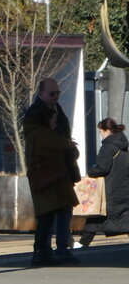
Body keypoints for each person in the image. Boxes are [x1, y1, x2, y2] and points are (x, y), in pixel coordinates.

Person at [23, 78, 80, 266]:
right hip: (49, 172)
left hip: (57, 170)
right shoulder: (37, 115)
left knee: (59, 211)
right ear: (41, 93)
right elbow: (44, 141)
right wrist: (66, 145)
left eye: (58, 93)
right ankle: (48, 251)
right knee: (50, 214)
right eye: (52, 93)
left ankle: (55, 249)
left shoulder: (52, 110)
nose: (56, 97)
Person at [79, 118, 129, 248]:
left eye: (101, 131)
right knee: (123, 218)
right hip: (123, 188)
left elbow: (102, 168)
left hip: (109, 189)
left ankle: (83, 243)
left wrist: (91, 172)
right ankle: (83, 242)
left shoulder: (108, 147)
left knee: (97, 215)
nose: (100, 134)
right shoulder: (124, 146)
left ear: (107, 131)